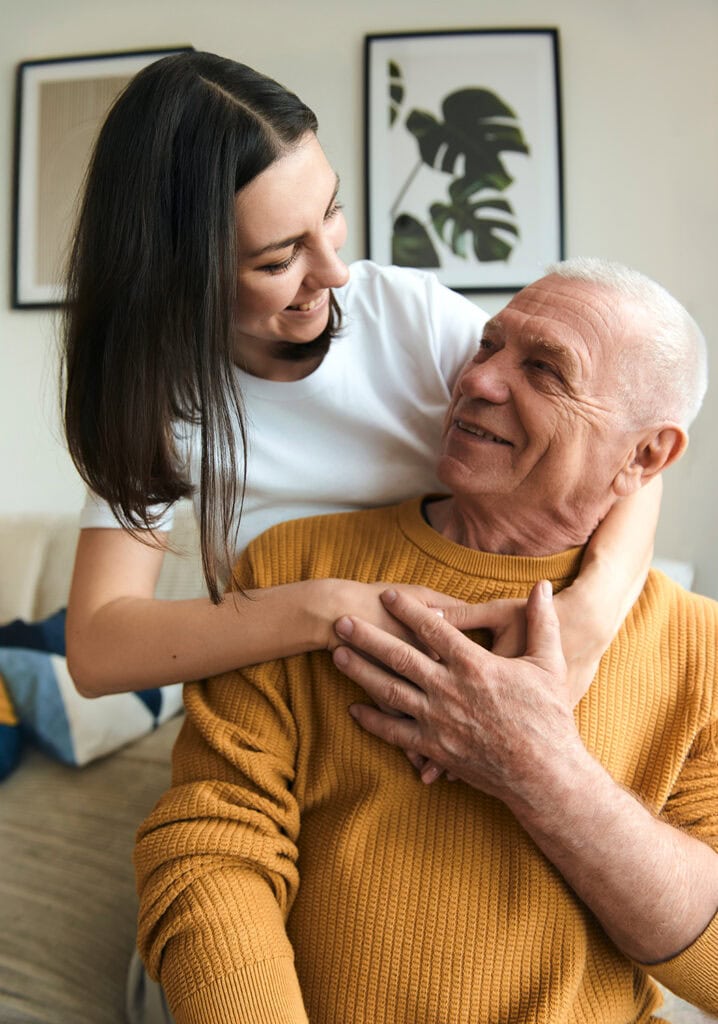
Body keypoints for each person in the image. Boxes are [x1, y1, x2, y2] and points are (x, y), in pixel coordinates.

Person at [134, 258, 717, 1023]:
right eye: (487, 345)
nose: (477, 381)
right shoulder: (294, 566)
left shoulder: (699, 649)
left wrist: (541, 769)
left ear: (644, 457)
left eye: (544, 371)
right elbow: (211, 844)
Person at [62, 50, 655, 713]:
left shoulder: (407, 316)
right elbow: (96, 647)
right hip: (293, 712)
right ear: (177, 276)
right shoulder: (156, 403)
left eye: (331, 214)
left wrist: (590, 615)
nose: (337, 272)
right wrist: (328, 607)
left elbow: (626, 452)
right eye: (280, 257)